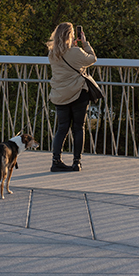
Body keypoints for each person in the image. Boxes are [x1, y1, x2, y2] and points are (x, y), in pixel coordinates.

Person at [46, 22, 97, 172]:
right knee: (78, 128)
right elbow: (92, 58)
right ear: (71, 35)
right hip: (78, 94)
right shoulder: (76, 52)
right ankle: (77, 162)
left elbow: (64, 58)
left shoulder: (52, 53)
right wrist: (84, 43)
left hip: (60, 95)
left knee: (62, 128)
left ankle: (56, 161)